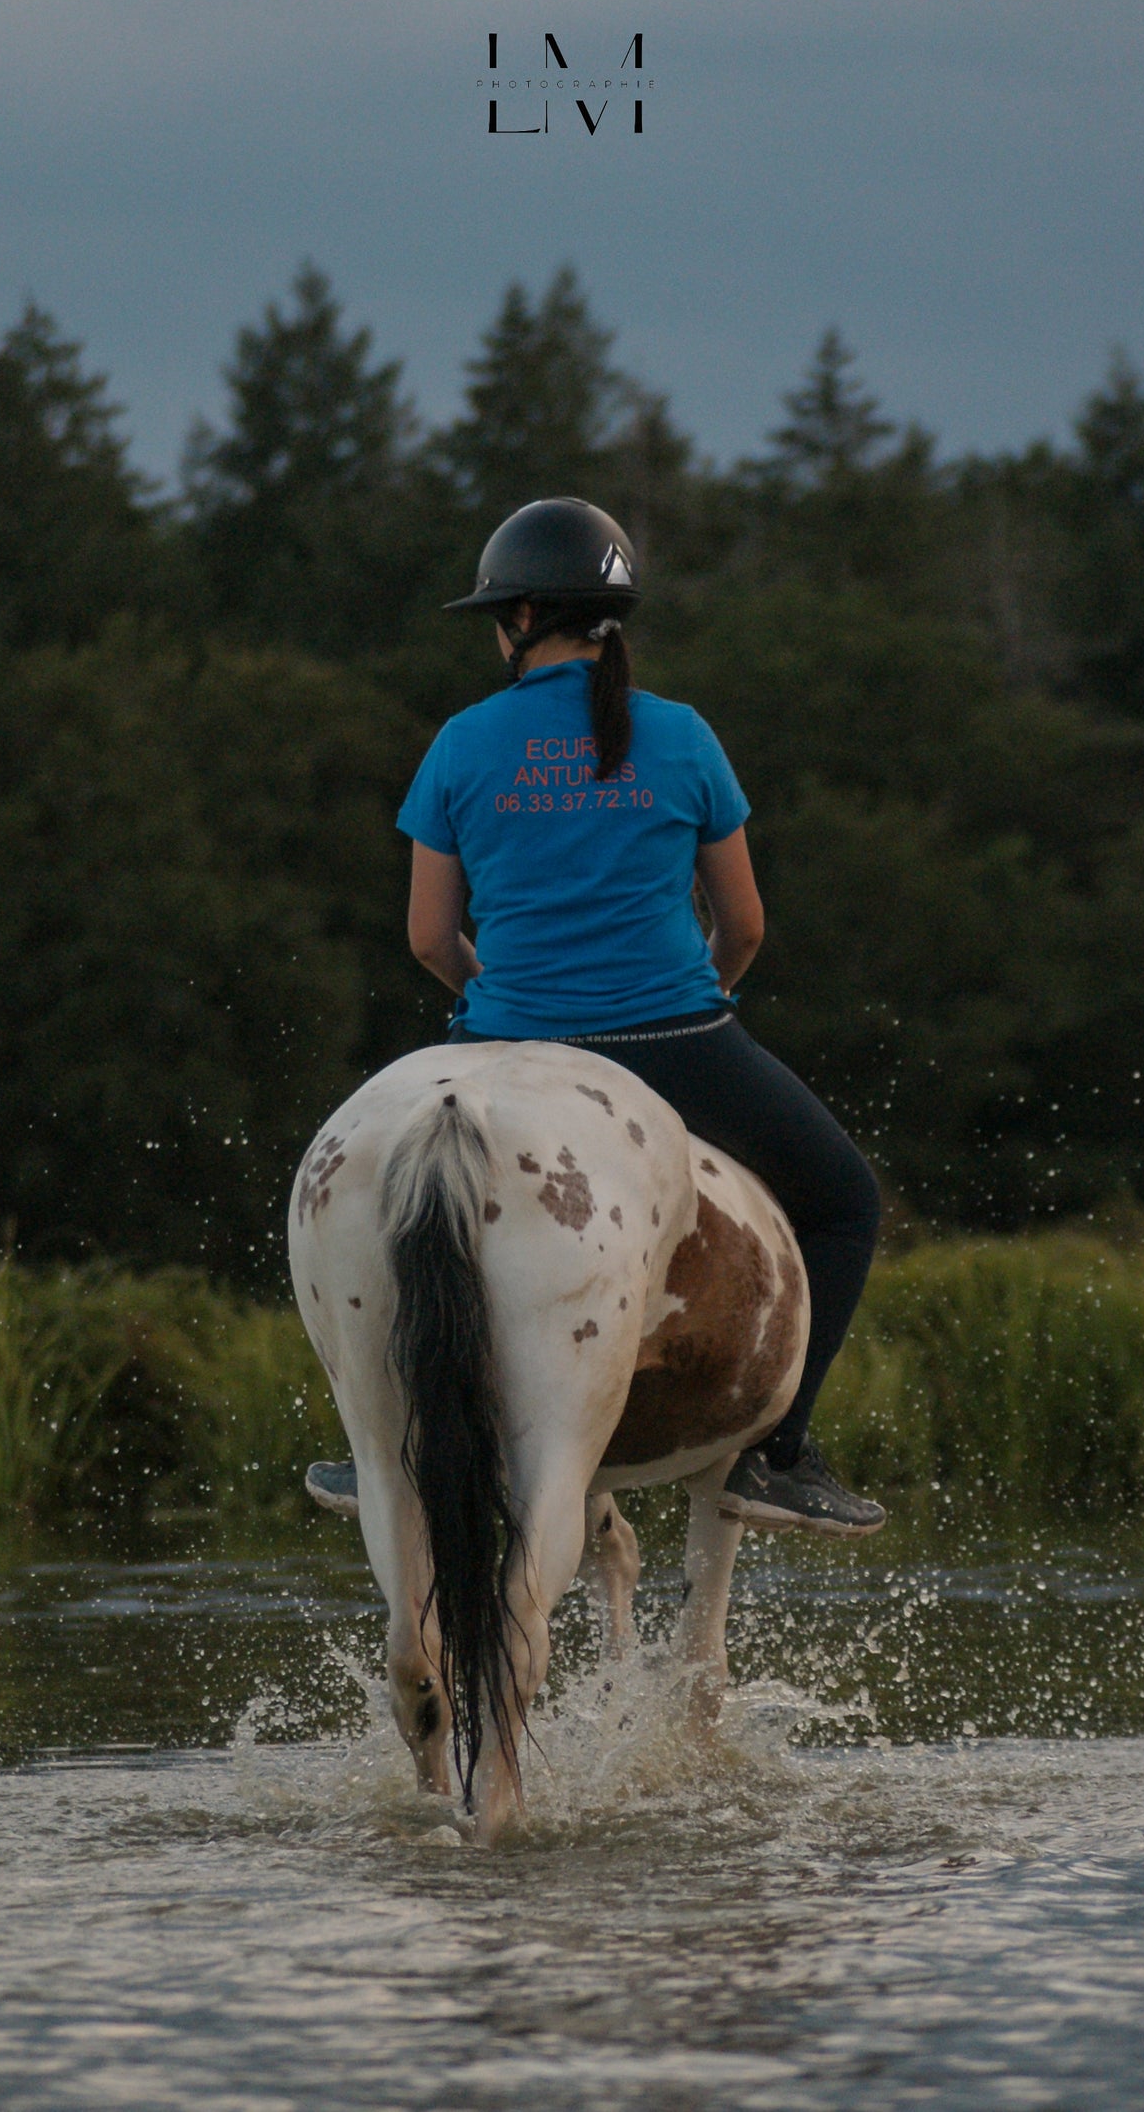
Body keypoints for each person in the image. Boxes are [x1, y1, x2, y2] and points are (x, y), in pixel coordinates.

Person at [309, 497, 884, 1536]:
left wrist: (498, 1003)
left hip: (507, 1035)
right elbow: (744, 922)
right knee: (844, 1202)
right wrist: (702, 998)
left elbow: (429, 938)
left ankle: (378, 1443)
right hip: (674, 1038)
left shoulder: (460, 741)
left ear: (523, 615)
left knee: (369, 1204)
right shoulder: (682, 734)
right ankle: (778, 1450)